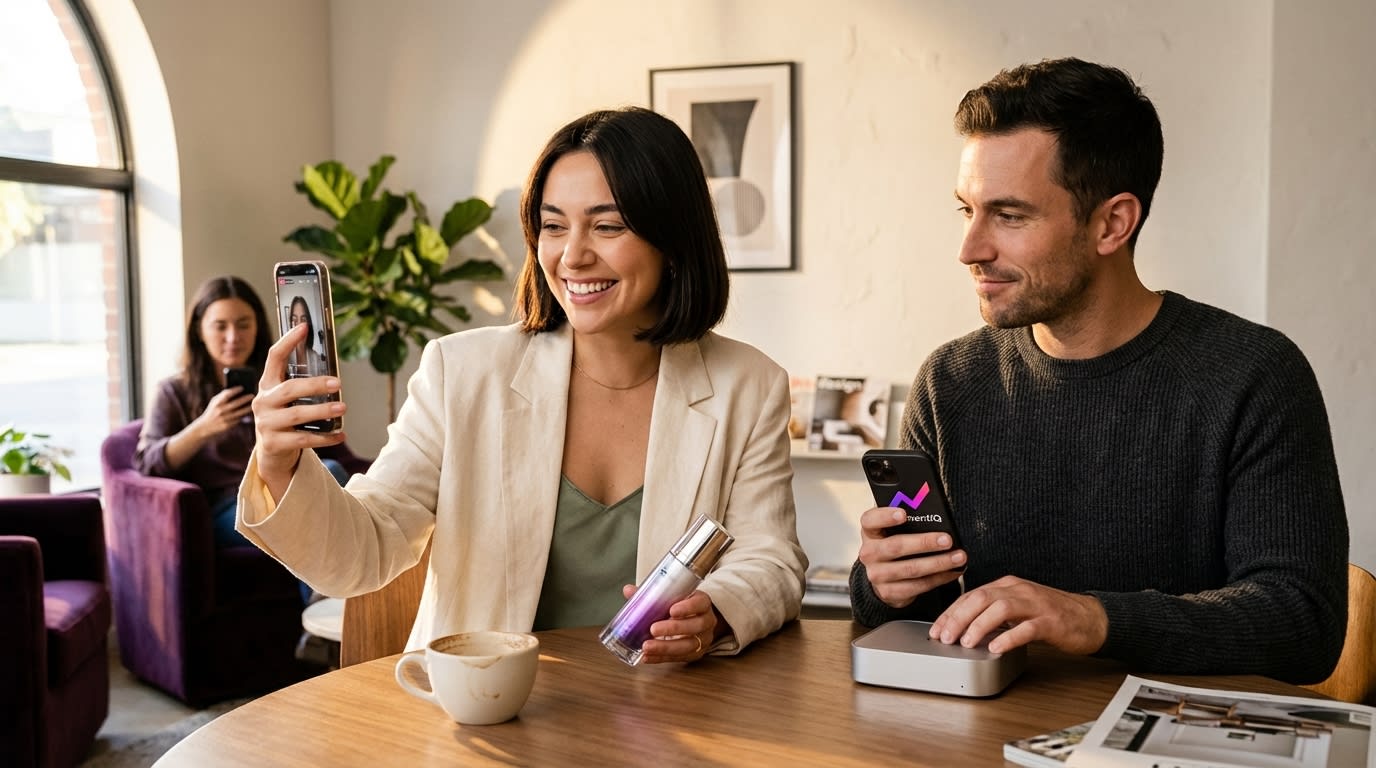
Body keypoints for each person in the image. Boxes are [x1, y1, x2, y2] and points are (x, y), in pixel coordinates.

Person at [236, 106, 808, 663]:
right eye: (553, 226)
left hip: (666, 715)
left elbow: (771, 556)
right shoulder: (460, 373)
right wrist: (280, 466)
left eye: (607, 226)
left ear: (673, 239)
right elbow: (362, 552)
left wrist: (716, 609)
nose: (572, 256)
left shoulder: (748, 387)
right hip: (490, 714)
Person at [849, 58, 1347, 684]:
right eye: (966, 210)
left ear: (1113, 223)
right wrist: (883, 583)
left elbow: (1304, 625)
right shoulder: (950, 381)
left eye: (1009, 215)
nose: (970, 248)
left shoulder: (1254, 375)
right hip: (990, 730)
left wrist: (1095, 619)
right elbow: (925, 613)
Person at [134, 276, 349, 556]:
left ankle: (328, 597)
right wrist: (203, 428)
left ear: (258, 326)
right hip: (226, 509)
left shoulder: (279, 383)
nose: (233, 337)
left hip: (284, 488)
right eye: (220, 326)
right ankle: (332, 597)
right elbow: (146, 463)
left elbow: (322, 449)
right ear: (199, 330)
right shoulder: (174, 391)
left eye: (244, 324)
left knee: (328, 475)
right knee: (306, 508)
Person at [287, 295, 329, 378]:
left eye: (303, 320)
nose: (299, 326)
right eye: (294, 320)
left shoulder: (318, 360)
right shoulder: (284, 359)